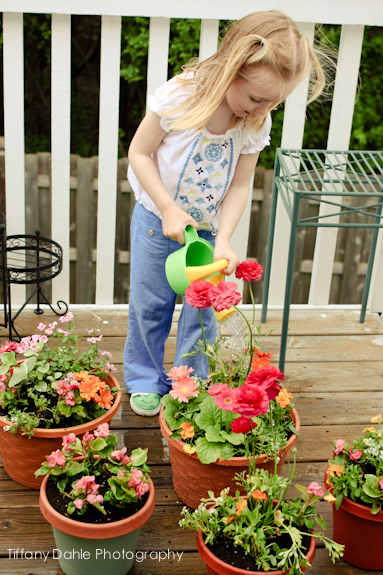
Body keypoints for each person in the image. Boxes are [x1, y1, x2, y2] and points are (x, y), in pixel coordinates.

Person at [124, 10, 327, 416]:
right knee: (151, 306)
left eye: (274, 102)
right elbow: (138, 153)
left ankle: (191, 383)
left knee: (202, 314)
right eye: (256, 98)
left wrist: (224, 239)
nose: (263, 109)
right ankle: (145, 378)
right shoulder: (182, 95)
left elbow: (238, 184)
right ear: (232, 70)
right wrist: (167, 207)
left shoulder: (255, 121)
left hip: (205, 233)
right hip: (155, 223)